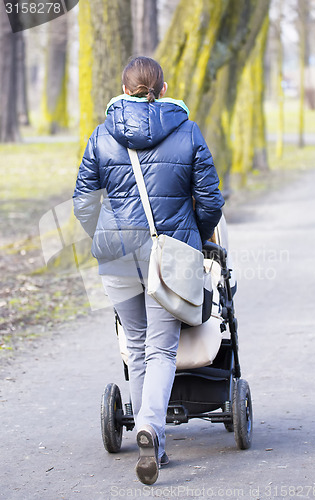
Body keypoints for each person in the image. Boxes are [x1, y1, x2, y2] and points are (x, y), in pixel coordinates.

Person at [73, 56, 224, 485]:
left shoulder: (101, 136)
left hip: (116, 254)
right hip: (170, 253)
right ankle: (150, 430)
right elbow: (210, 201)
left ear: (123, 88)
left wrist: (104, 234)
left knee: (135, 346)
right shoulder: (187, 131)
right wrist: (196, 237)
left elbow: (83, 202)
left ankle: (149, 430)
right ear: (162, 87)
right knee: (161, 350)